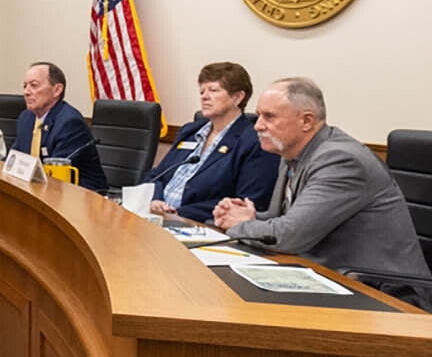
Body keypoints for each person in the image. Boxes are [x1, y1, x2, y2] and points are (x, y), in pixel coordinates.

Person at [214, 77, 432, 308]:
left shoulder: (341, 160)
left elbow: (289, 236)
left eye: (269, 117)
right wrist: (250, 216)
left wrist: (236, 225)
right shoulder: (291, 154)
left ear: (307, 121)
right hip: (333, 277)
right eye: (259, 115)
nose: (257, 125)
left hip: (386, 295)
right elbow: (283, 221)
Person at [144, 62, 278, 221]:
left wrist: (177, 214)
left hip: (199, 225)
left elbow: (246, 203)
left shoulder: (254, 141)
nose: (204, 96)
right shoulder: (190, 131)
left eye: (213, 90)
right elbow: (156, 175)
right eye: (202, 91)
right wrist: (156, 200)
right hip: (155, 217)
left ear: (238, 97)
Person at [11, 62, 108, 193]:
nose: (26, 92)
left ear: (57, 90)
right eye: (24, 86)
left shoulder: (70, 123)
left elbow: (54, 174)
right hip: (43, 190)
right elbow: (14, 158)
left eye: (33, 85)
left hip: (83, 196)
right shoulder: (26, 118)